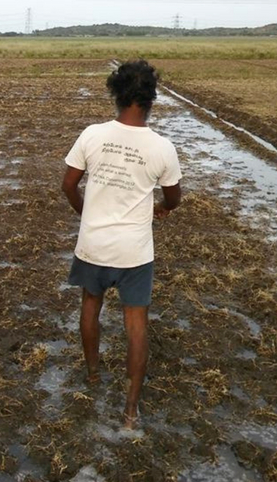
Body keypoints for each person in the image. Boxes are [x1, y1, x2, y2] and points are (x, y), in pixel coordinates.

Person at [61, 60, 181, 430]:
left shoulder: (93, 135)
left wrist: (88, 216)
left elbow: (68, 185)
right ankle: (131, 412)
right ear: (151, 99)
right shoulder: (162, 147)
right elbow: (174, 199)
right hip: (135, 252)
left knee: (90, 307)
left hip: (93, 245)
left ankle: (94, 375)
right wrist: (159, 209)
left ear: (115, 94)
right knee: (136, 324)